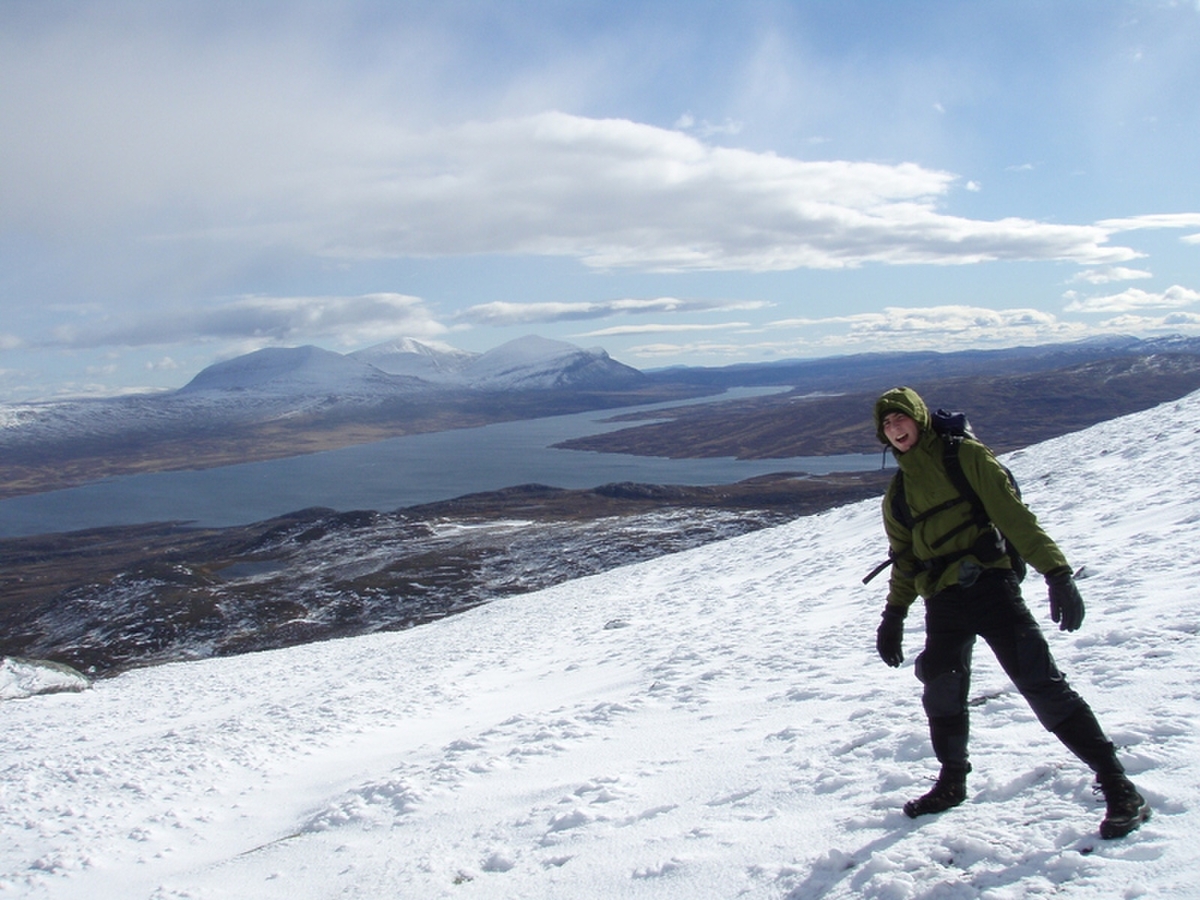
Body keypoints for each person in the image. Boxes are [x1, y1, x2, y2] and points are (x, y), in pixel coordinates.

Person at [871, 385, 1150, 839]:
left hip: (990, 585)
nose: (894, 428)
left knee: (1041, 684)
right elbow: (904, 559)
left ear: (919, 419)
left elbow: (1014, 516)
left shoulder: (964, 457)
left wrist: (1057, 574)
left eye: (900, 417)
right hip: (943, 599)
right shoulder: (898, 493)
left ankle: (1119, 785)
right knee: (940, 690)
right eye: (885, 423)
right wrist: (893, 615)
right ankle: (952, 783)